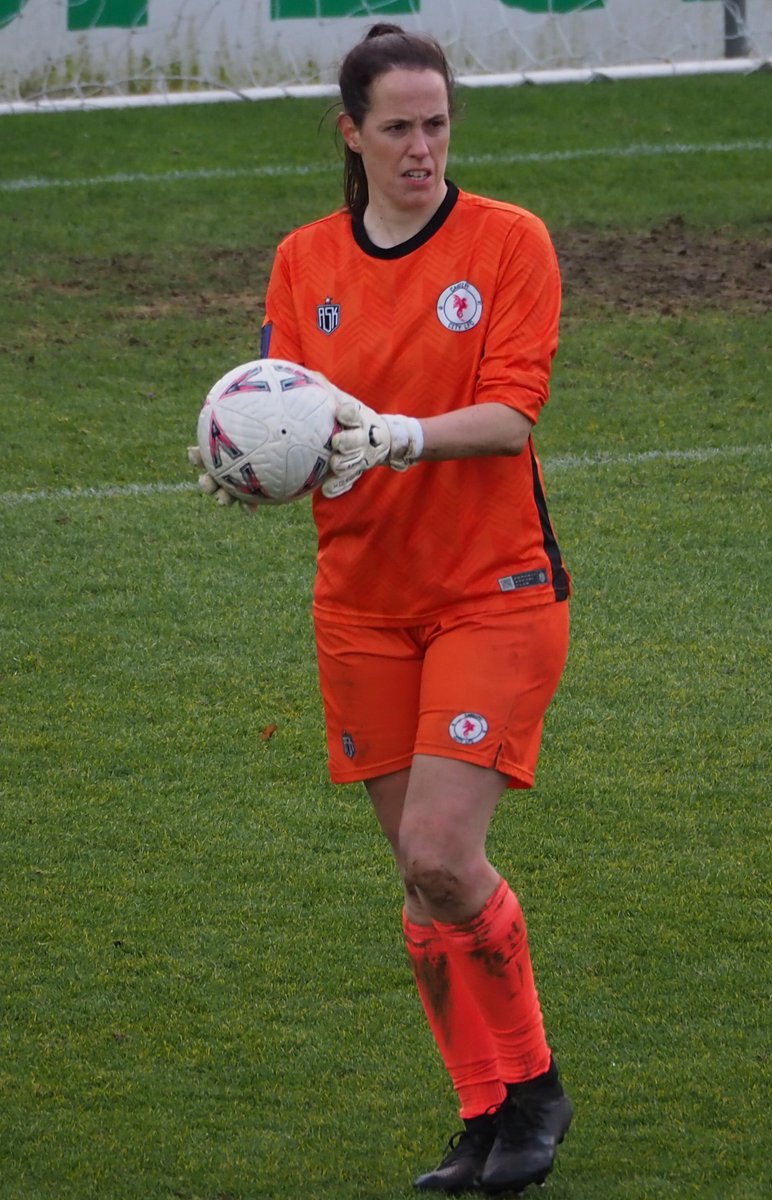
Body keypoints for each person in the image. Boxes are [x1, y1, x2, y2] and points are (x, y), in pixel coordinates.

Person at [193, 22, 572, 1195]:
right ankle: (482, 1119)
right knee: (420, 883)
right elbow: (283, 409)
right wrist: (246, 465)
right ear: (349, 133)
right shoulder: (304, 259)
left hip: (490, 594)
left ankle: (535, 1089)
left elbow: (511, 415)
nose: (421, 147)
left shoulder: (509, 243)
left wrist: (397, 436)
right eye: (398, 127)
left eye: (437, 123)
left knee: (441, 855)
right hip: (360, 605)